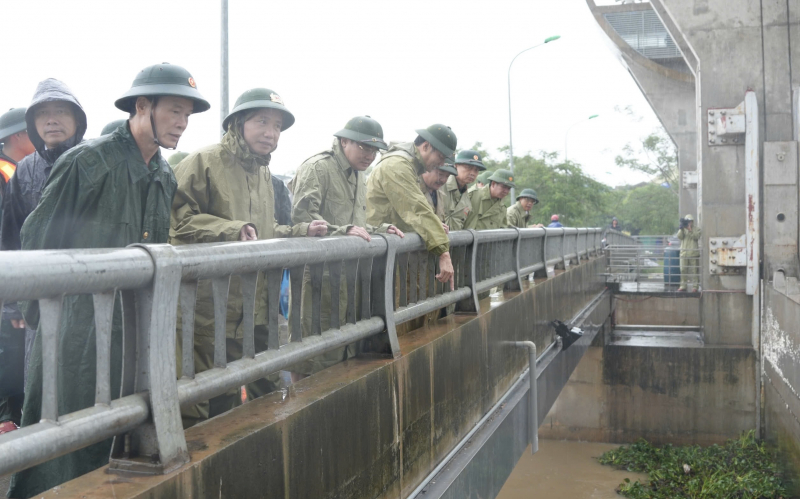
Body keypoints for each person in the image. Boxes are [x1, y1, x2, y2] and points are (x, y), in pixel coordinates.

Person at [8, 63, 208, 498]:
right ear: (142, 106)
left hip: (135, 334)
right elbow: (39, 237)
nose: (181, 123)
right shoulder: (88, 162)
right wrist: (43, 319)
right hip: (76, 331)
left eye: (187, 115)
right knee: (67, 439)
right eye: (174, 111)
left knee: (125, 436)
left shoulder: (164, 174)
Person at [171, 87, 327, 427]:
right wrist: (232, 229)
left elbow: (262, 230)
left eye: (277, 126)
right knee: (198, 399)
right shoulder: (203, 161)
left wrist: (302, 231)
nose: (271, 133)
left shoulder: (264, 173)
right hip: (207, 306)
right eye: (262, 122)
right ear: (238, 122)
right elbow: (177, 221)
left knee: (243, 392)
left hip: (251, 304)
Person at [290, 115, 403, 375]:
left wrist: (379, 229)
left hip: (349, 277)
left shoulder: (359, 175)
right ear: (343, 141)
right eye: (364, 147)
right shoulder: (318, 167)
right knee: (313, 351)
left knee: (345, 349)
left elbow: (354, 224)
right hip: (319, 275)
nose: (370, 155)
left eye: (375, 150)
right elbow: (302, 219)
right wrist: (343, 231)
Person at [366, 124, 457, 290]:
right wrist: (443, 252)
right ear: (426, 146)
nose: (442, 163)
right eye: (440, 156)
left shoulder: (409, 165)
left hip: (391, 253)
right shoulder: (397, 165)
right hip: (382, 256)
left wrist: (435, 226)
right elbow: (416, 209)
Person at [0, 107, 34, 436]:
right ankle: (5, 418)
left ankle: (14, 416)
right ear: (18, 136)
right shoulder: (4, 173)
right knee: (7, 349)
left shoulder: (22, 171)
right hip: (6, 280)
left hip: (16, 280)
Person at [443, 149, 485, 230]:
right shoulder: (441, 185)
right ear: (456, 166)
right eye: (468, 167)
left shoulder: (466, 198)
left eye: (476, 170)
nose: (472, 173)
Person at [677, 214, 701, 292]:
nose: (689, 223)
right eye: (687, 221)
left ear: (692, 221)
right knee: (683, 270)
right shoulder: (683, 229)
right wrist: (681, 229)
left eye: (690, 221)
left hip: (693, 253)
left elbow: (696, 237)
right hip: (684, 253)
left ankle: (695, 286)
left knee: (694, 271)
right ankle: (683, 285)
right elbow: (679, 237)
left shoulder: (697, 229)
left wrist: (690, 230)